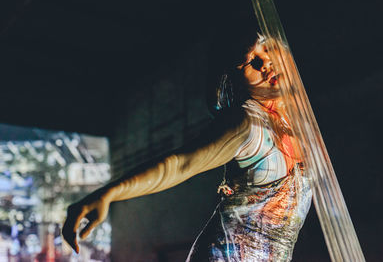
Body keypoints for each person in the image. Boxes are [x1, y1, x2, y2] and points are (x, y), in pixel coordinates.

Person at [62, 35, 312, 262]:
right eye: (249, 61)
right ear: (234, 79)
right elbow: (180, 164)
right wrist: (109, 193)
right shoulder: (248, 123)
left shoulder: (298, 125)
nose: (265, 63)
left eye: (267, 49)